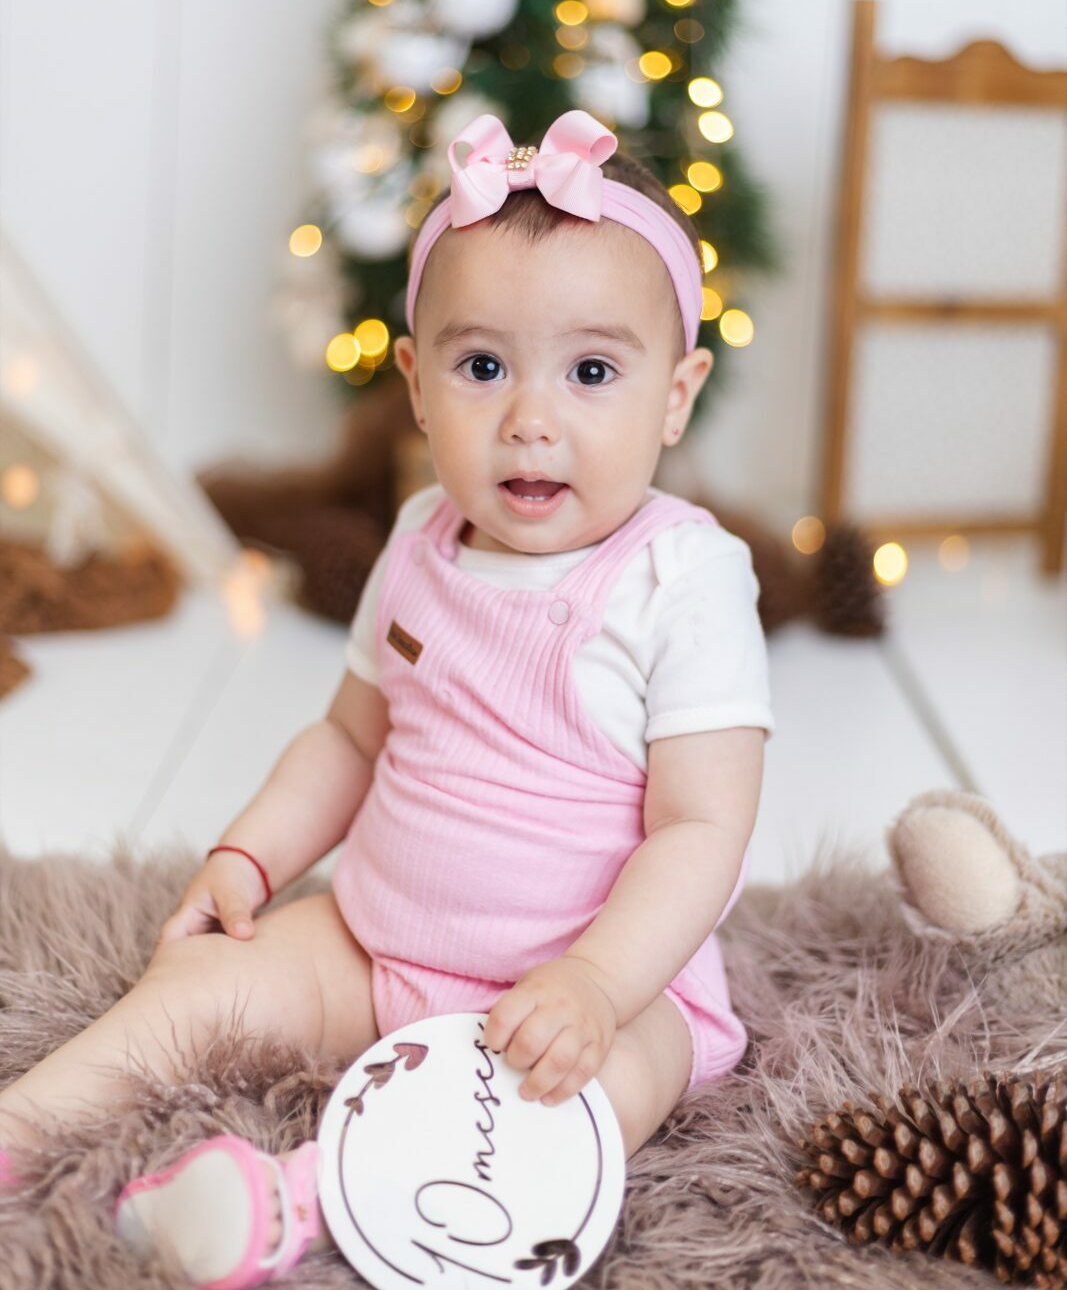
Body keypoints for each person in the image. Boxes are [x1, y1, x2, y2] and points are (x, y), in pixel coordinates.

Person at [0, 109, 774, 1287]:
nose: (530, 417)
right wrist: (251, 855)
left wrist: (595, 982)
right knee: (200, 984)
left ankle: (295, 1200)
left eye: (591, 372)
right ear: (415, 382)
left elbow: (702, 827)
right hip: (376, 947)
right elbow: (347, 739)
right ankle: (28, 1120)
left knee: (588, 1110)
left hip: (596, 985)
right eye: (482, 366)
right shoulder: (419, 537)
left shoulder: (682, 577)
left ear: (675, 394)